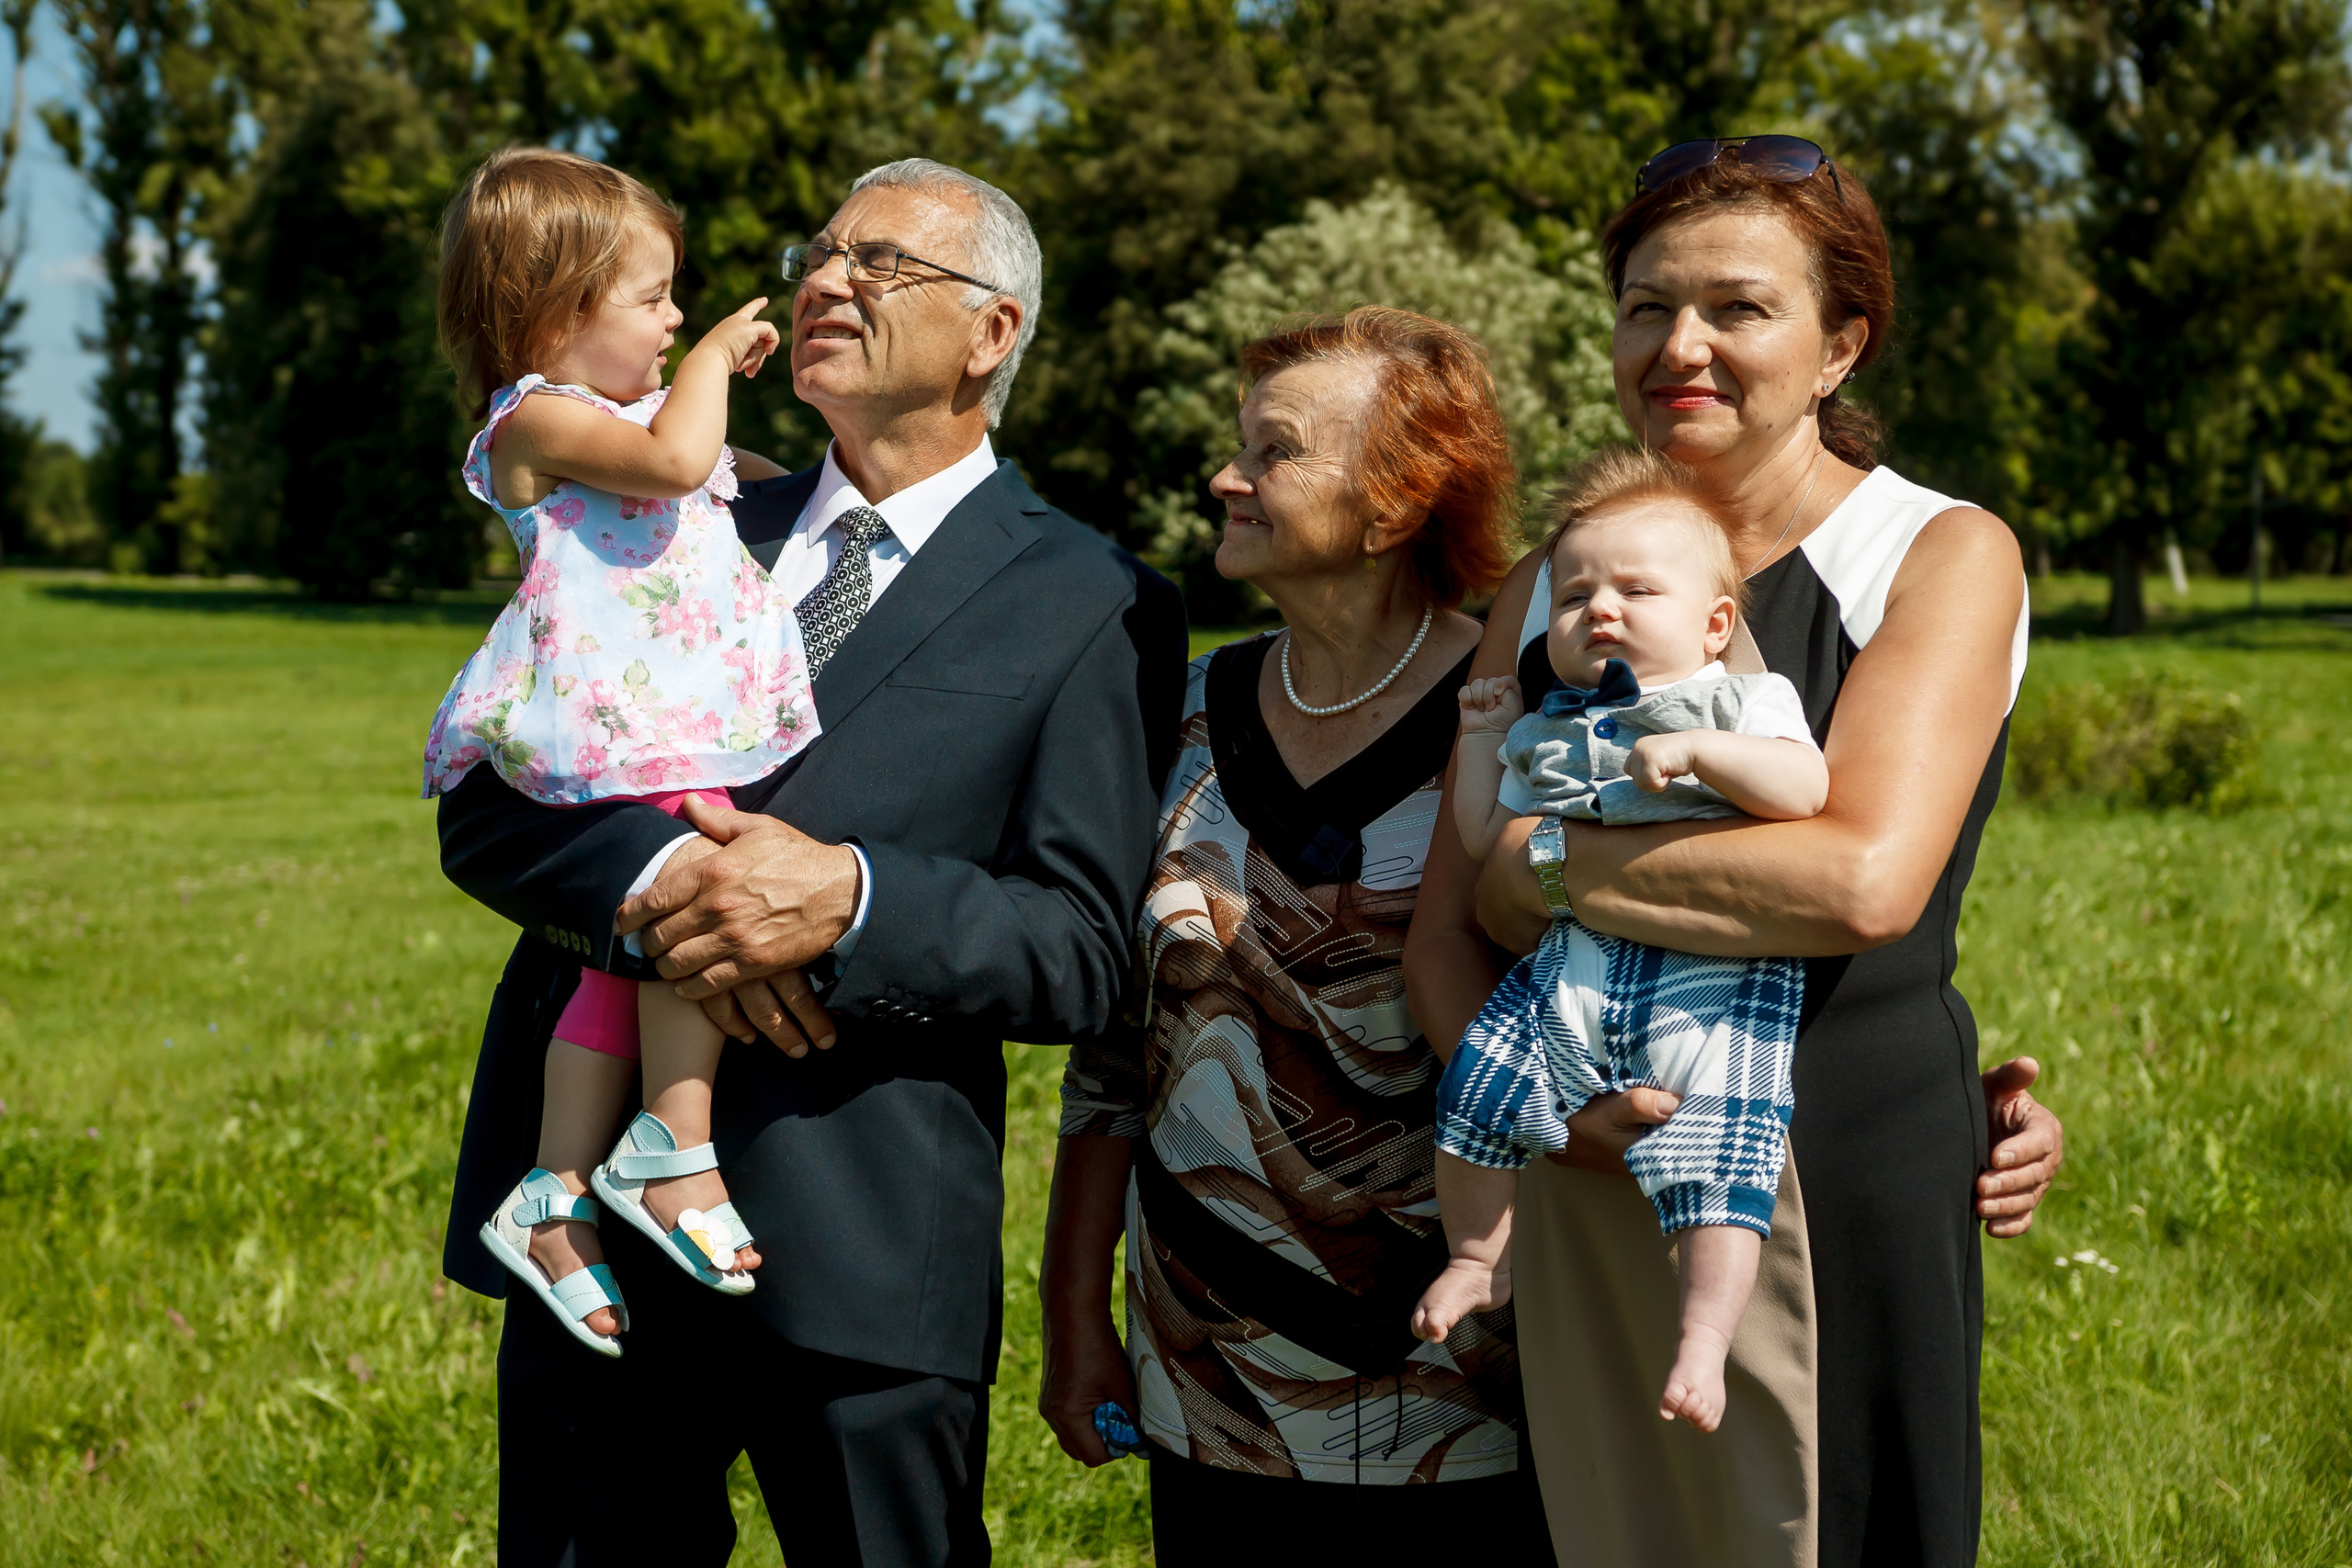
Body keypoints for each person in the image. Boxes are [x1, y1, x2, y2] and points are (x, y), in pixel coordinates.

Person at [434, 157, 1189, 1565]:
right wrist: (666, 898)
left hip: (862, 1239)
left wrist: (848, 901)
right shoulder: (663, 504)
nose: (826, 279)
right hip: (591, 1223)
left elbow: (1085, 946)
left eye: (884, 261)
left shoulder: (1095, 598)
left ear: (992, 332)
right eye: (821, 250)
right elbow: (484, 798)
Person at [1403, 134, 2066, 1567]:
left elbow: (1862, 882)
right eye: (1647, 304)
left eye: (1737, 308)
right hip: (1575, 1167)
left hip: (1841, 1171)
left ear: (1842, 346)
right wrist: (1545, 1115)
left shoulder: (1936, 554)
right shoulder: (1551, 579)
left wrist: (1555, 870)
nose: (1679, 346)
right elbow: (1447, 931)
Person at [1036, 308, 1546, 1558]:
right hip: (1207, 1381)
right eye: (1239, 446)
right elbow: (1112, 1060)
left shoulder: (1511, 718)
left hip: (1466, 1388)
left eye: (1276, 453)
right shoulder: (1182, 714)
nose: (1228, 476)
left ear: (1394, 503)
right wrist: (1073, 1317)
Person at [425, 147, 820, 1357]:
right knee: (691, 903)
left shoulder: (623, 417)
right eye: (653, 298)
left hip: (663, 709)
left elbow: (695, 471)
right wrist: (706, 375)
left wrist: (708, 390)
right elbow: (676, 464)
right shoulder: (535, 415)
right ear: (554, 308)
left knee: (624, 959)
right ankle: (675, 1147)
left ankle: (552, 1190)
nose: (677, 319)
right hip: (612, 716)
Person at [1413, 449, 1830, 1438]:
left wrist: (1700, 753)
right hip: (1572, 980)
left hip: (1712, 988)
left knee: (1726, 1156)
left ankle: (1703, 1337)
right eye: (1573, 596)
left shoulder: (1741, 703)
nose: (1599, 610)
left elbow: (1804, 792)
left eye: (1637, 590)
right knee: (1477, 1086)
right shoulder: (1548, 730)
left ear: (1715, 624)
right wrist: (1480, 741)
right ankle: (1479, 1252)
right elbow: (1484, 841)